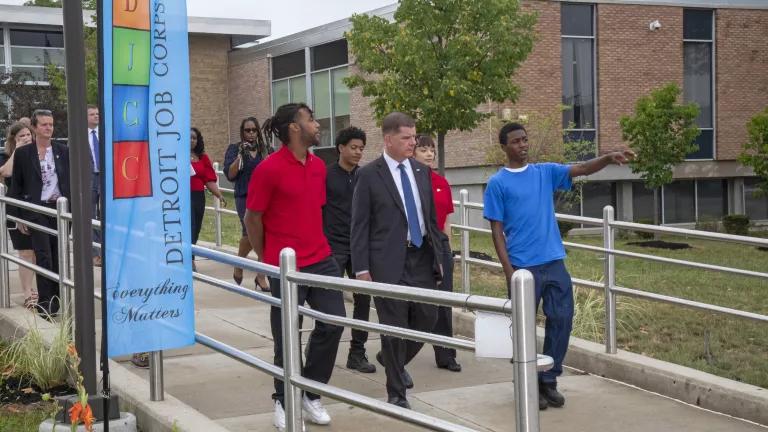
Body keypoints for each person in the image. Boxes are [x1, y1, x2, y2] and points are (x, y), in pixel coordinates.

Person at [483, 122, 634, 410]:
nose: (523, 145)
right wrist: (508, 270)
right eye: (516, 141)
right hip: (522, 267)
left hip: (553, 262)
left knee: (561, 320)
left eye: (525, 140)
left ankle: (548, 380)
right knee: (524, 329)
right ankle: (526, 383)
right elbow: (496, 230)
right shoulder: (498, 183)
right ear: (504, 146)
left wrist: (608, 157)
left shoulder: (544, 173)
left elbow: (582, 169)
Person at [244, 103, 345, 430]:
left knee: (333, 324)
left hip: (322, 259)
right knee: (285, 337)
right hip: (285, 267)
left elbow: (315, 211)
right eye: (311, 120)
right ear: (294, 128)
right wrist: (267, 258)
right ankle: (284, 400)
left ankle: (310, 393)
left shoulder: (319, 166)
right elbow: (252, 217)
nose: (317, 125)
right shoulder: (268, 169)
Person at [350, 112, 444, 409]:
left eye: (414, 137)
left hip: (421, 258)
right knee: (393, 326)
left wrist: (440, 258)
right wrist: (362, 268)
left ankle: (393, 360)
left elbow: (430, 220)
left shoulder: (420, 171)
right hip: (387, 261)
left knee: (427, 318)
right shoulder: (368, 175)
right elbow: (359, 225)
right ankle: (396, 392)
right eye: (406, 138)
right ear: (388, 139)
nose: (413, 143)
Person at [323, 126, 376, 374]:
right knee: (329, 301)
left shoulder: (365, 176)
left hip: (360, 248)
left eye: (361, 149)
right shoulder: (326, 175)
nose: (357, 152)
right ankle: (322, 350)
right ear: (340, 148)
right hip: (333, 247)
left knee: (363, 300)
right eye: (353, 147)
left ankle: (357, 352)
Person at [8, 109, 70, 318]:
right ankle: (46, 305)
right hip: (37, 210)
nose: (48, 128)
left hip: (59, 210)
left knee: (58, 256)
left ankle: (58, 300)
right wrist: (18, 217)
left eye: (51, 124)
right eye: (44, 124)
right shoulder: (25, 153)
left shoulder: (63, 150)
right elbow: (17, 184)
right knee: (44, 256)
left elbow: (70, 182)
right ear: (34, 128)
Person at [412, 134, 461, 373]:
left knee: (444, 302)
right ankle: (400, 352)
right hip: (416, 247)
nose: (429, 154)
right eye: (423, 150)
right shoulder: (408, 181)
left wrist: (447, 250)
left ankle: (446, 354)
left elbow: (447, 220)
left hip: (440, 246)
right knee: (417, 306)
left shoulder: (441, 181)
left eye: (431, 150)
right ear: (413, 153)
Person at [223, 117, 270, 291]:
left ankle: (260, 276)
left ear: (258, 131)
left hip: (264, 196)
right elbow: (230, 174)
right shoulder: (235, 149)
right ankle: (240, 264)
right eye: (247, 130)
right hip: (244, 196)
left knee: (264, 235)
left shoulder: (264, 150)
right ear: (242, 132)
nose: (250, 133)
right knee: (250, 234)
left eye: (253, 130)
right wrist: (240, 156)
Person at [0, 122, 37, 309]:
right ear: (13, 140)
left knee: (37, 252)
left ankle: (33, 288)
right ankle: (27, 292)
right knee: (25, 252)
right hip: (16, 209)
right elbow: (5, 172)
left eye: (28, 135)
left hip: (35, 208)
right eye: (21, 136)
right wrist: (18, 151)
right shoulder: (7, 156)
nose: (26, 138)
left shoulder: (38, 154)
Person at [190, 127, 226, 268]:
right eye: (190, 137)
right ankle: (190, 260)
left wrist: (219, 195)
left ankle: (191, 254)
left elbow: (209, 180)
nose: (192, 140)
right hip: (184, 198)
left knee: (197, 227)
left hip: (199, 197)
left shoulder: (203, 157)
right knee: (190, 227)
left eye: (195, 138)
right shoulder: (177, 155)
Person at [86, 105, 102, 266]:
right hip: (89, 179)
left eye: (97, 114)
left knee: (104, 215)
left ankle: (105, 251)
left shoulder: (104, 134)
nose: (96, 116)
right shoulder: (78, 136)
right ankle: (95, 254)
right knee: (91, 216)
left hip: (104, 179)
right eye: (92, 114)